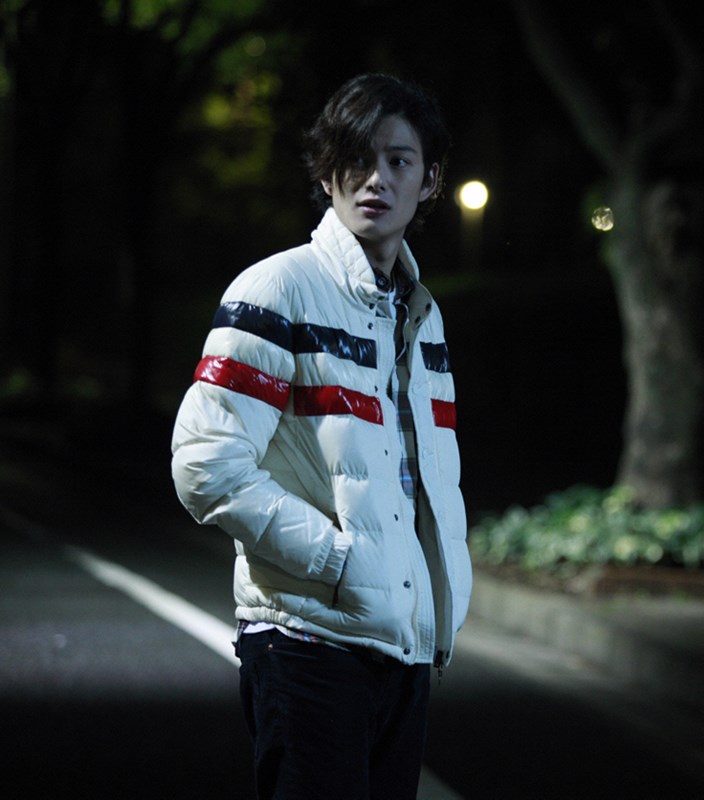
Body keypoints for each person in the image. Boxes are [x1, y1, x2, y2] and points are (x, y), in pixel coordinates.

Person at [170, 73, 471, 800]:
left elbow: (424, 478)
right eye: (356, 158)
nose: (376, 179)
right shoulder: (277, 290)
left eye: (398, 161)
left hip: (402, 646)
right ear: (327, 171)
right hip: (305, 644)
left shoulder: (421, 315)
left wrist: (435, 600)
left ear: (430, 181)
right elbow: (205, 464)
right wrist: (337, 561)